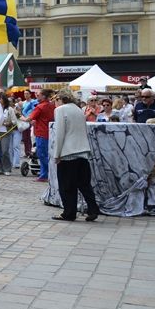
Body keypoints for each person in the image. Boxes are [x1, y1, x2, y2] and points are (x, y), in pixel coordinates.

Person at [51, 89, 100, 222]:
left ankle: (69, 212)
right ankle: (93, 208)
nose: (54, 103)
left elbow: (60, 133)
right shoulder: (79, 109)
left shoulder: (60, 110)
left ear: (60, 99)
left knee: (67, 186)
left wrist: (57, 154)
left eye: (55, 100)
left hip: (68, 152)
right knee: (84, 184)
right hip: (82, 151)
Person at [28, 88, 56, 182]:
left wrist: (19, 116)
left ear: (44, 96)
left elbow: (30, 118)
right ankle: (44, 174)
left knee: (42, 154)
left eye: (38, 94)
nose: (36, 95)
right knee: (46, 154)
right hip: (50, 132)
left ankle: (49, 173)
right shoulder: (52, 105)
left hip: (41, 133)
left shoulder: (40, 107)